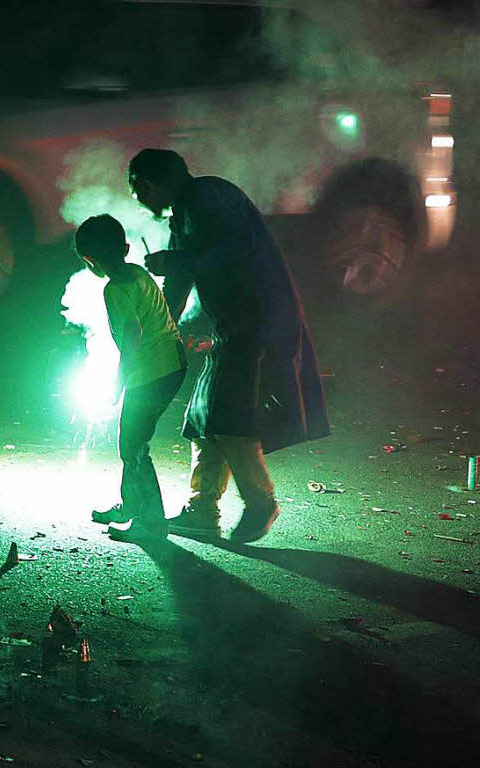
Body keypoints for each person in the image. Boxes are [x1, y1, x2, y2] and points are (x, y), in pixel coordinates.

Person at [129, 148, 330, 543]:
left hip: (257, 320)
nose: (138, 201)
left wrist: (177, 261)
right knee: (206, 416)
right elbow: (180, 281)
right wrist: (162, 325)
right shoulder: (185, 212)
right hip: (235, 326)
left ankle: (259, 502)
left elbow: (231, 252)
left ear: (149, 183)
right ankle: (202, 509)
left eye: (137, 191)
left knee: (227, 416)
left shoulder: (209, 197)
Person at [74, 214, 187, 539]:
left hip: (150, 372)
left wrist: (117, 382)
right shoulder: (137, 273)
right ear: (125, 247)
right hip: (172, 365)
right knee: (131, 439)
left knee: (133, 444)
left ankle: (150, 523)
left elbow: (133, 337)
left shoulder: (115, 289)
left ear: (89, 260)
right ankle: (131, 505)